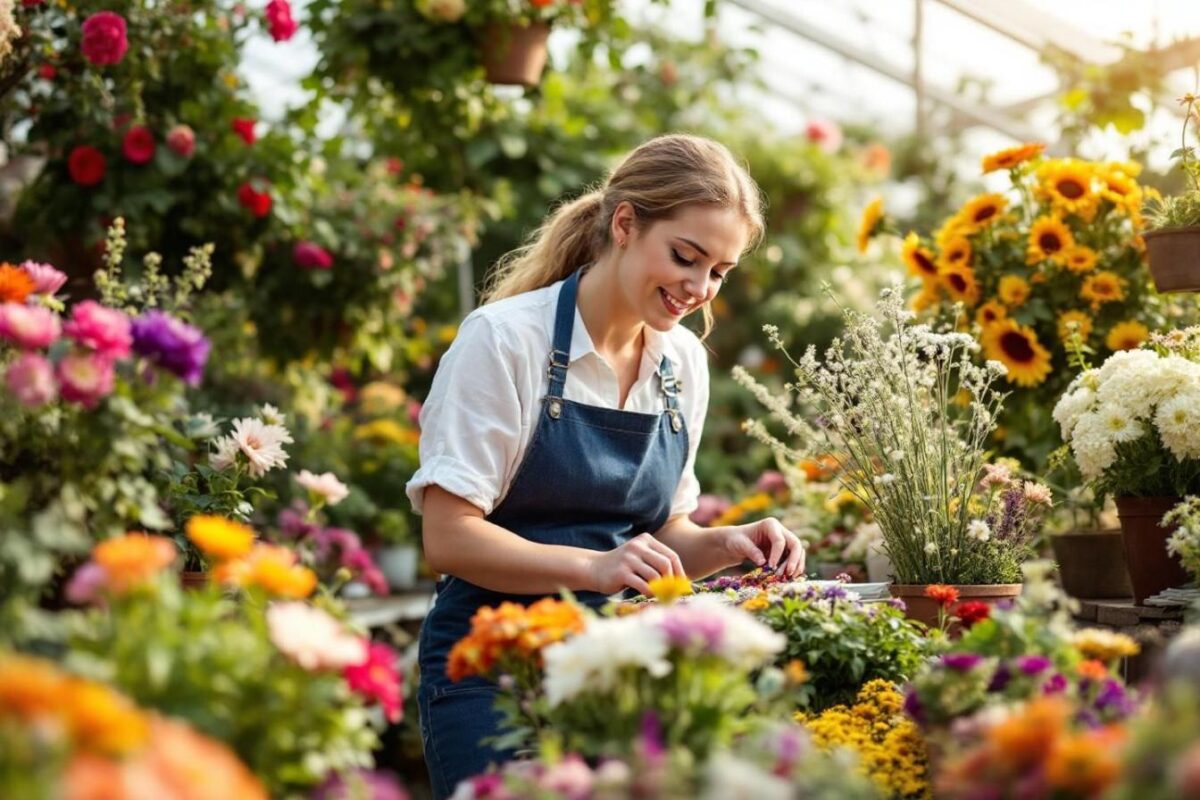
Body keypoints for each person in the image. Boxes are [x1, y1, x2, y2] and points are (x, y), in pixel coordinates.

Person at [406, 133, 807, 799]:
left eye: (719, 272)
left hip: (615, 675)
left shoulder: (682, 366)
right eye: (686, 256)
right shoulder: (507, 340)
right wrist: (593, 568)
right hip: (492, 671)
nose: (699, 287)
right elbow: (449, 535)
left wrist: (728, 544)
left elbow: (663, 533)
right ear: (625, 223)